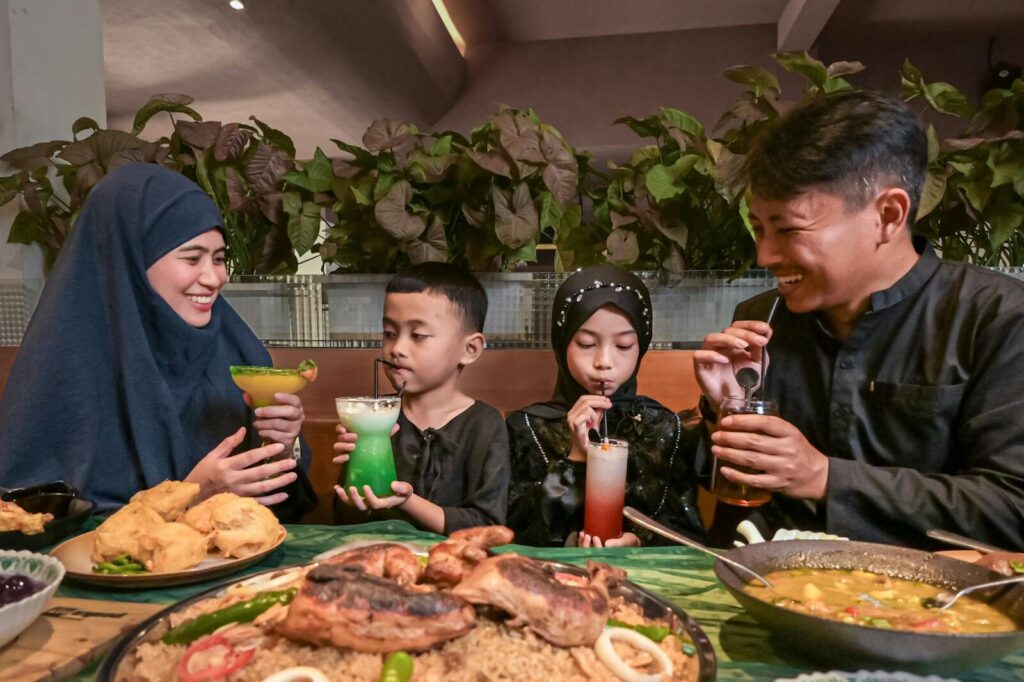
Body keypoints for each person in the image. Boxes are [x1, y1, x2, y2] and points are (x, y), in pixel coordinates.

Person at [695, 89, 1024, 550]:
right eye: (759, 229)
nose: (765, 255)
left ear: (888, 215)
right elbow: (728, 504)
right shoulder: (760, 321)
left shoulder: (996, 319)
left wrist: (825, 477)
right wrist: (725, 413)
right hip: (765, 580)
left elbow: (1012, 508)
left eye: (788, 229)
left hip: (933, 591)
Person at [0, 164, 315, 520]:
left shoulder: (240, 354)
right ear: (132, 260)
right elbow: (31, 527)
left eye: (219, 258)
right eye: (192, 258)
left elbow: (281, 511)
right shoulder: (63, 368)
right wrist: (190, 497)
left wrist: (283, 445)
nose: (214, 278)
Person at [506, 265, 705, 547]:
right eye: (586, 344)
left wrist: (637, 543)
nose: (604, 362)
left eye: (623, 346)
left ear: (641, 345)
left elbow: (687, 534)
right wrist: (575, 458)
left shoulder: (662, 427)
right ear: (562, 344)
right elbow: (515, 531)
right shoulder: (526, 427)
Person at [333, 262, 510, 534]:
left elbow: (487, 527)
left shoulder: (484, 424)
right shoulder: (374, 416)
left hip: (453, 559)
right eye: (389, 334)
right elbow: (344, 520)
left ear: (470, 349)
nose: (397, 348)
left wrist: (407, 501)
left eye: (418, 335)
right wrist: (355, 482)